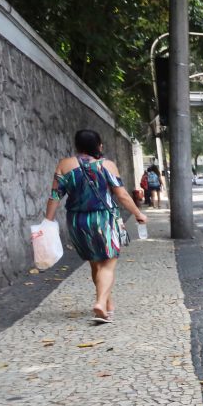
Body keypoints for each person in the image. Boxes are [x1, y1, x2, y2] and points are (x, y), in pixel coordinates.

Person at [44, 129, 147, 323]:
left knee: (95, 262)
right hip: (103, 220)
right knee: (108, 263)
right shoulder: (107, 165)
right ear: (98, 146)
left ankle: (108, 305)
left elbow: (55, 195)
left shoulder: (64, 165)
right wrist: (138, 214)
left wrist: (47, 222)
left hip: (77, 221)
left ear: (77, 145)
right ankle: (100, 303)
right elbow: (122, 195)